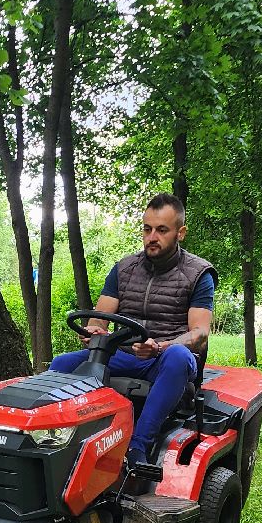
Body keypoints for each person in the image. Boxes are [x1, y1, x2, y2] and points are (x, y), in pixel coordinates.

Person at [49, 193, 216, 465]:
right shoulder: (124, 268)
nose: (152, 237)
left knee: (179, 358)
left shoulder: (198, 273)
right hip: (123, 354)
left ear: (180, 233)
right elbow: (100, 318)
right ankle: (56, 439)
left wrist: (161, 346)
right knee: (61, 363)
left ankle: (137, 448)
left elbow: (200, 334)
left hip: (163, 359)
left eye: (162, 230)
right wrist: (93, 332)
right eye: (147, 229)